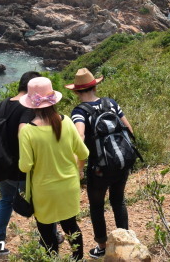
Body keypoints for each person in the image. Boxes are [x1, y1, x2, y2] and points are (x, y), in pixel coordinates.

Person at [18, 77, 89, 261]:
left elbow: (25, 166)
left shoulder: (28, 131)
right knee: (71, 227)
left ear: (31, 104)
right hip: (69, 186)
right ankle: (77, 259)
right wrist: (78, 171)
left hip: (44, 191)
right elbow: (83, 152)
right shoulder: (66, 122)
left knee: (47, 233)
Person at [67, 68, 135, 259]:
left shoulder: (79, 112)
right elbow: (128, 128)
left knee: (97, 206)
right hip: (121, 162)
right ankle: (126, 242)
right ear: (95, 86)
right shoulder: (111, 103)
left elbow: (79, 137)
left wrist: (79, 167)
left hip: (99, 167)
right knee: (118, 201)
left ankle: (102, 246)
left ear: (76, 91)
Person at [0, 71, 40, 257]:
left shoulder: (3, 103)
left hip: (1, 165)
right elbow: (24, 134)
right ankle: (50, 238)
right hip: (21, 168)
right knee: (41, 203)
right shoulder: (28, 108)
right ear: (33, 89)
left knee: (5, 200)